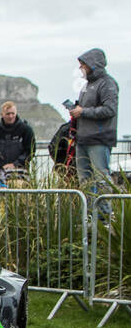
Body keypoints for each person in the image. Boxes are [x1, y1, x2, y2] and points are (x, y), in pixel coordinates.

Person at [71, 48, 119, 221]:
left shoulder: (108, 84)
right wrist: (76, 110)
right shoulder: (86, 85)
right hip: (83, 138)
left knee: (101, 177)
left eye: (83, 64)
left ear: (93, 64)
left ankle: (106, 216)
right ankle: (91, 215)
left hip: (99, 138)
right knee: (85, 180)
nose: (81, 67)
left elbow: (109, 109)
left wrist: (83, 112)